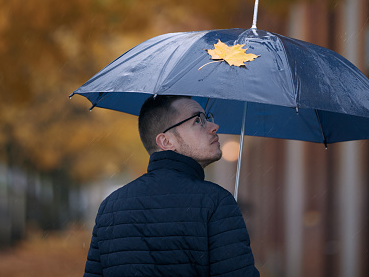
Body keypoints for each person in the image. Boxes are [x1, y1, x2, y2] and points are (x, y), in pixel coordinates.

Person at [84, 95, 259, 276]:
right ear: (166, 141)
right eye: (198, 120)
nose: (214, 127)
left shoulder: (110, 207)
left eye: (208, 118)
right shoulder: (216, 203)